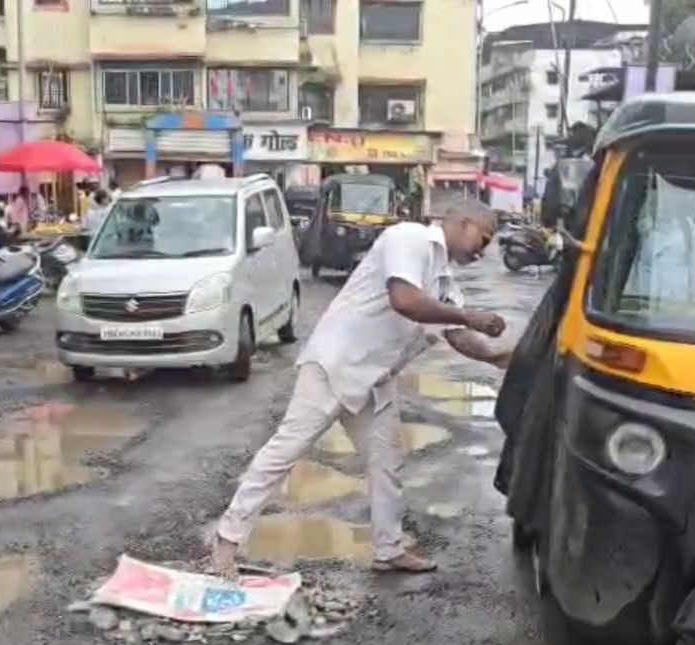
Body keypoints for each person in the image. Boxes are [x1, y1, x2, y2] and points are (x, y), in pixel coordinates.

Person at [210, 201, 511, 579]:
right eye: (482, 238)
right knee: (284, 452)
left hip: (374, 379)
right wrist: (469, 315)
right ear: (464, 222)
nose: (482, 251)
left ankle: (389, 550)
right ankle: (226, 541)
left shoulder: (444, 278)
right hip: (336, 365)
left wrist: (496, 356)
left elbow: (458, 335)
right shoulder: (410, 238)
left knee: (386, 463)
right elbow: (405, 300)